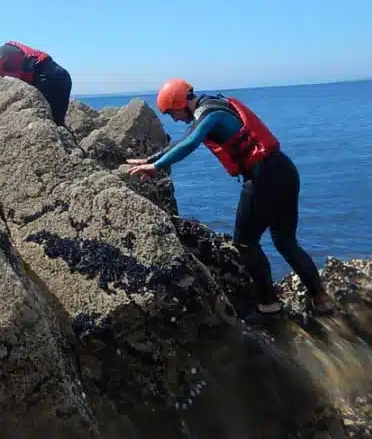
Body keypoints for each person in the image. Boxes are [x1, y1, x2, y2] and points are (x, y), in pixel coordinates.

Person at [125, 78, 334, 319]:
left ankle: (269, 304)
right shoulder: (214, 105)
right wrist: (152, 160)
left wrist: (156, 167)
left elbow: (191, 141)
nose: (175, 119)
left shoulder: (209, 114)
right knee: (286, 242)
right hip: (285, 172)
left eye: (172, 113)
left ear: (180, 103)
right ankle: (321, 299)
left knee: (245, 243)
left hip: (264, 179)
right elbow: (187, 137)